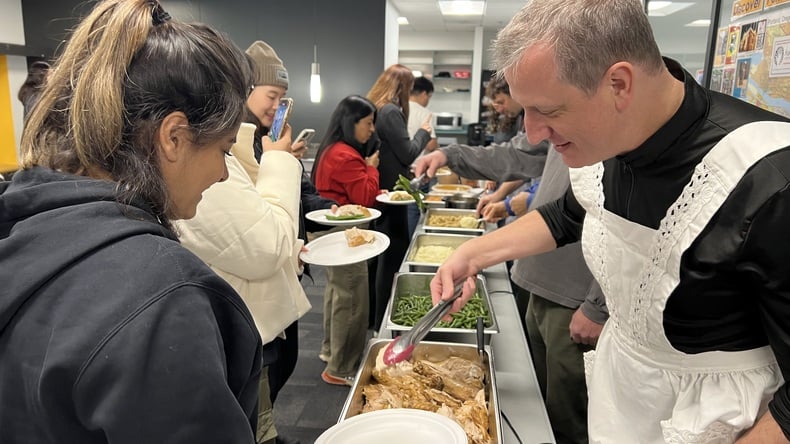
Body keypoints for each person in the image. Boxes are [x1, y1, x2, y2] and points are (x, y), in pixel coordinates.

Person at [431, 0, 790, 442]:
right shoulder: (612, 141)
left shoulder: (770, 180)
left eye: (549, 110)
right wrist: (471, 253)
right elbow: (570, 216)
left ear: (619, 84)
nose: (535, 131)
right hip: (625, 400)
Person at [0, 1, 261, 442]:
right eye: (223, 149)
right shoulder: (163, 297)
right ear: (174, 137)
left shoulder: (20, 225)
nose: (221, 173)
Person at [417, 146, 605, 444]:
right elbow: (564, 214)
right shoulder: (565, 138)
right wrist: (471, 256)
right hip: (541, 282)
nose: (531, 129)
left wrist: (599, 305)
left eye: (543, 109)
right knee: (541, 409)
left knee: (568, 418)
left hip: (575, 298)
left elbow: (639, 231)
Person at [176, 40, 310, 444]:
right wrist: (279, 160)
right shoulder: (199, 155)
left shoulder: (238, 146)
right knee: (250, 416)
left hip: (253, 320)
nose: (276, 107)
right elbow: (263, 243)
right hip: (237, 322)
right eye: (272, 96)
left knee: (260, 406)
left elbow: (252, 225)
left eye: (282, 99)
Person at [311, 95, 380, 385]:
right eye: (368, 123)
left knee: (338, 294)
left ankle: (332, 354)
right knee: (352, 297)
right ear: (352, 123)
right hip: (346, 236)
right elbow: (365, 196)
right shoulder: (345, 155)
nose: (372, 129)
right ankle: (341, 368)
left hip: (335, 234)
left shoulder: (333, 150)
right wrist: (372, 167)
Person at [366, 64, 432, 331]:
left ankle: (374, 317)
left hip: (381, 191)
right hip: (391, 194)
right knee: (391, 256)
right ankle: (383, 319)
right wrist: (424, 132)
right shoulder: (391, 110)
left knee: (379, 255)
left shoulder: (377, 107)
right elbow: (407, 153)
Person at [406, 76, 438, 237]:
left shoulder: (399, 109)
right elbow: (431, 145)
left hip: (401, 168)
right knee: (414, 209)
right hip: (419, 171)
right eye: (429, 97)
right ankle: (413, 242)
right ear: (424, 94)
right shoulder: (424, 113)